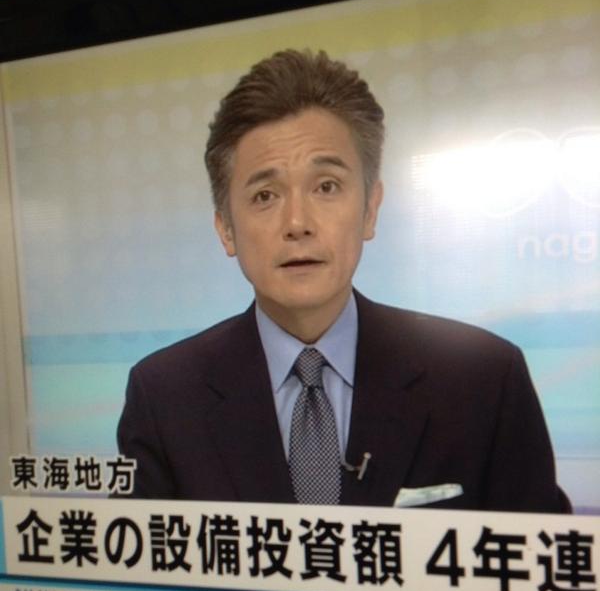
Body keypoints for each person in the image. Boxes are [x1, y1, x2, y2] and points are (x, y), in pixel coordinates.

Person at [117, 49, 569, 513]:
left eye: (326, 186)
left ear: (370, 209)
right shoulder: (164, 397)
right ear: (225, 229)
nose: (297, 223)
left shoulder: (485, 380)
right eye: (265, 195)